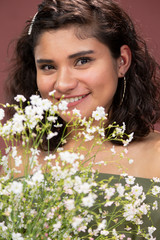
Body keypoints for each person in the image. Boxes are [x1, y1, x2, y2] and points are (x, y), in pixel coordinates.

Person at [3, 0, 160, 238]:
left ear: (122, 61)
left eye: (82, 61)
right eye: (47, 67)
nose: (63, 84)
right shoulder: (18, 165)